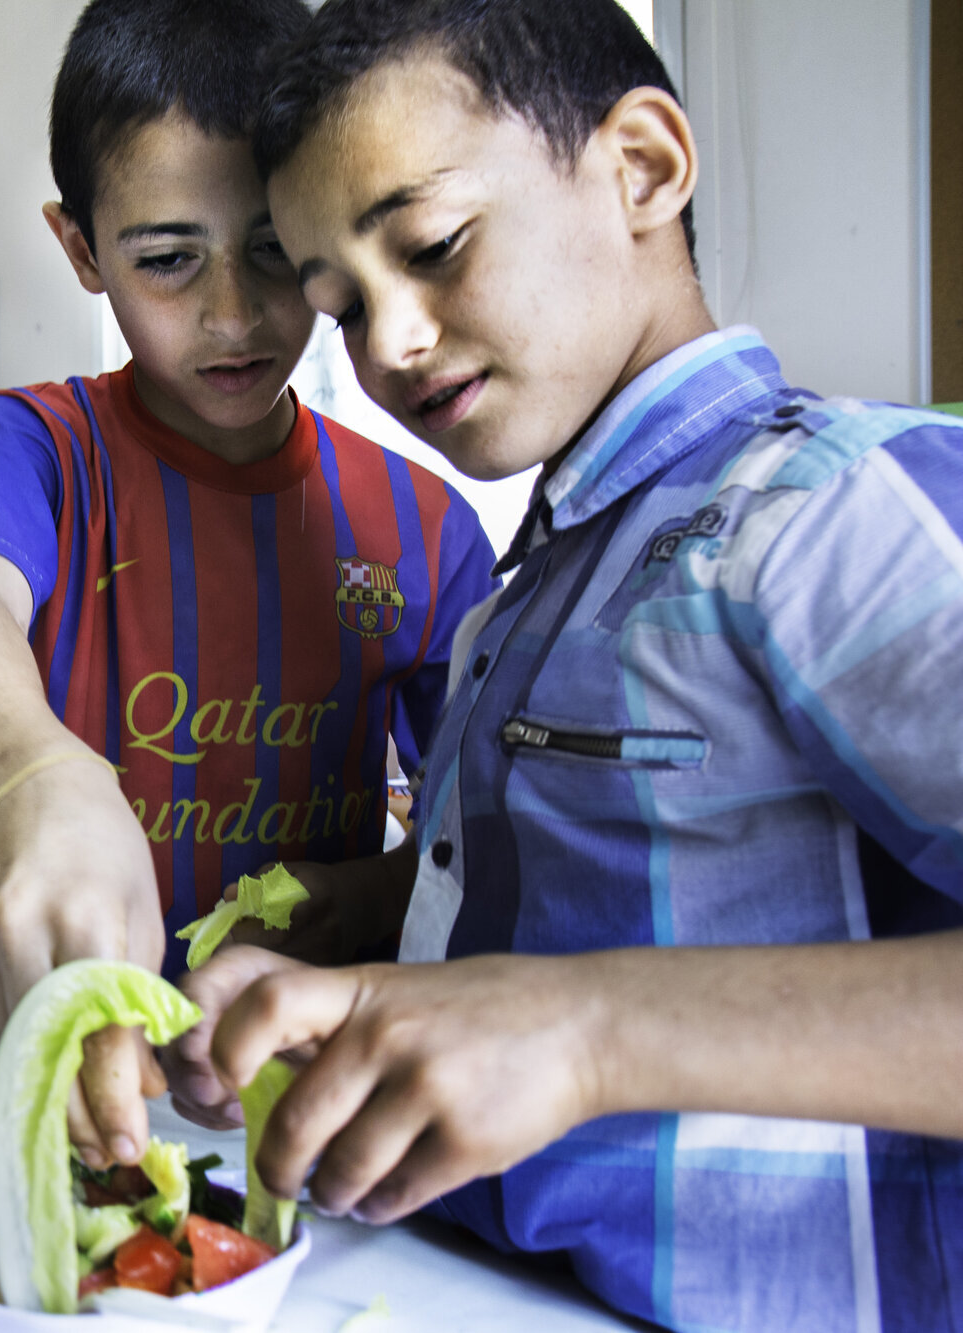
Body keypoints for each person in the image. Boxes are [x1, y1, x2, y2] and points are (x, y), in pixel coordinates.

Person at [167, 3, 963, 1330]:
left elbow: (559, 1012)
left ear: (641, 168)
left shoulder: (829, 505)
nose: (390, 345)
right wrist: (363, 965)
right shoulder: (522, 597)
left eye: (433, 246)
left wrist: (586, 1033)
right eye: (342, 307)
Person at [0, 0, 496, 1168]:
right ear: (80, 250)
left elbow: (473, 843)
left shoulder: (423, 526)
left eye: (273, 249)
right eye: (167, 260)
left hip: (307, 1098)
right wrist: (27, 778)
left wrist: (361, 899)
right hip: (69, 1064)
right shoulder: (37, 448)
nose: (231, 314)